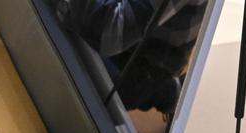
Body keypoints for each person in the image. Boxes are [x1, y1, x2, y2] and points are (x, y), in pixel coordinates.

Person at [54, 0, 207, 115]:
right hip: (141, 41)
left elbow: (106, 30)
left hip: (141, 61)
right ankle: (167, 90)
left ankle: (167, 91)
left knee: (61, 78)